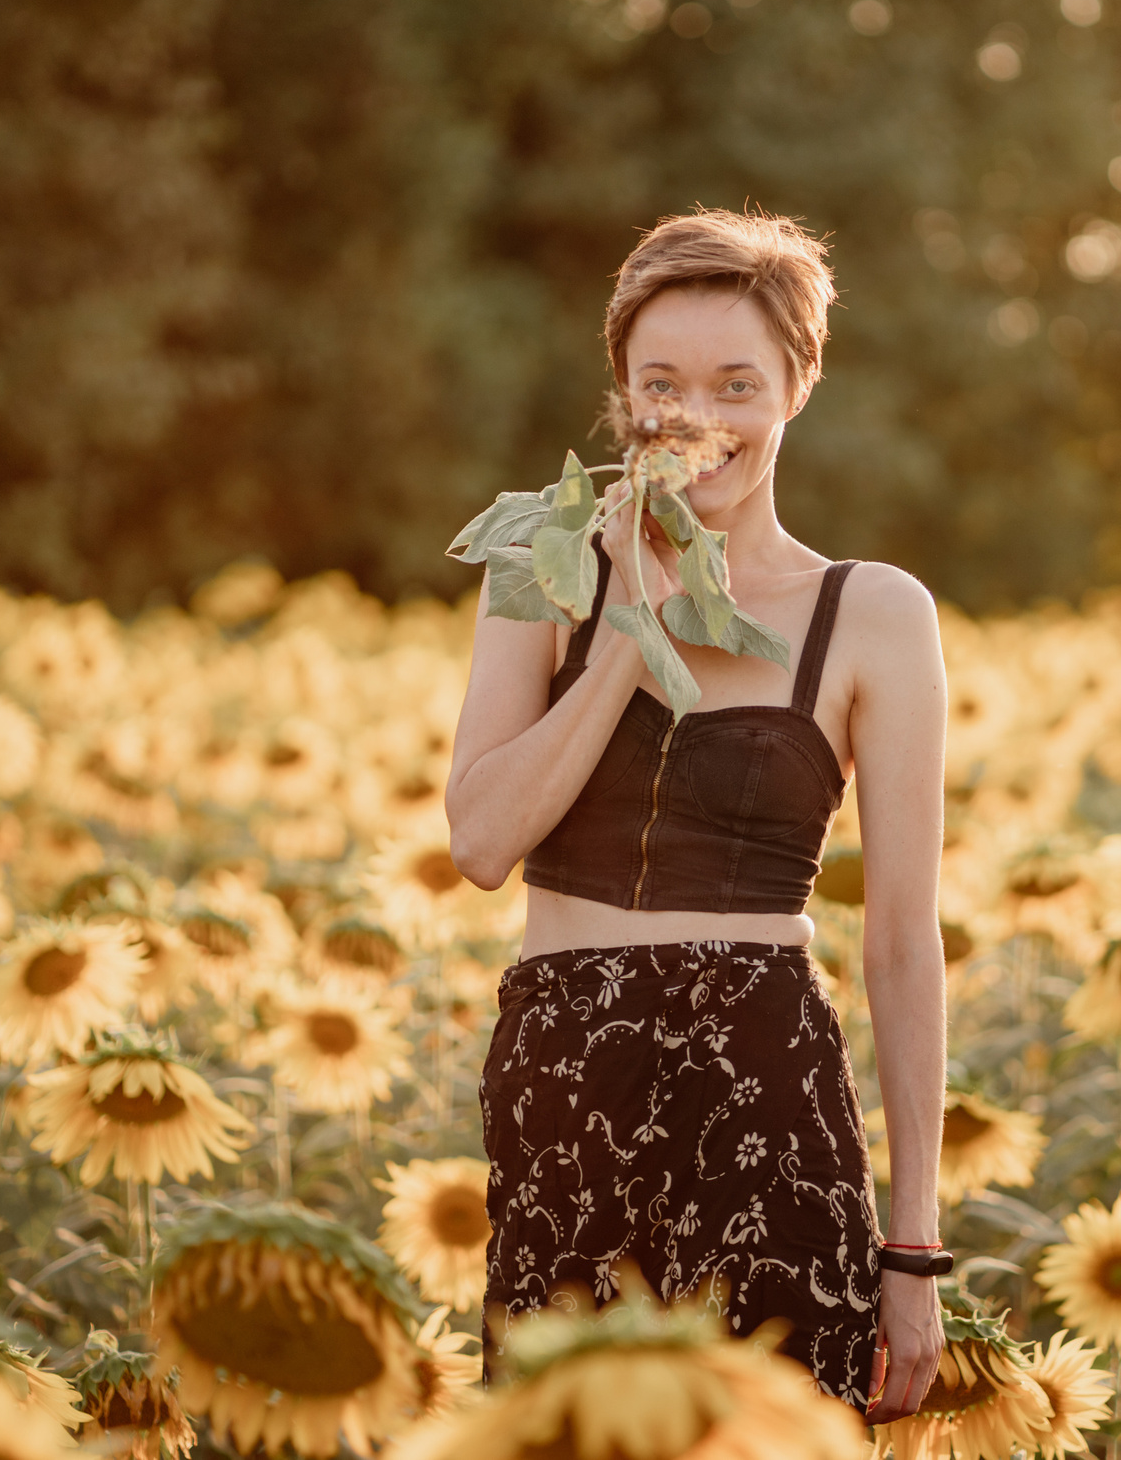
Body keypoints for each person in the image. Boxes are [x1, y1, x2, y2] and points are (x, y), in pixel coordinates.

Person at [445, 208, 950, 1421]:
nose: (698, 420)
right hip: (566, 1083)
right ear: (621, 394)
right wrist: (629, 624)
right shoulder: (539, 564)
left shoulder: (870, 613)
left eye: (738, 384)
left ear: (796, 389)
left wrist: (914, 1248)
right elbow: (478, 842)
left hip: (765, 1096)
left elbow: (899, 941)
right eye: (661, 384)